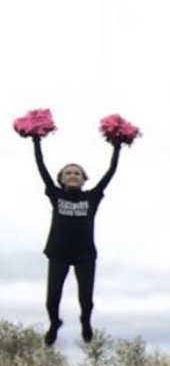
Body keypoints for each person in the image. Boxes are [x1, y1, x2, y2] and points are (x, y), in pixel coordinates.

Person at [28, 134, 122, 346]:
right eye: (68, 173)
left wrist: (117, 148)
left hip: (85, 255)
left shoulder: (92, 197)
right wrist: (36, 141)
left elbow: (110, 173)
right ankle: (54, 323)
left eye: (77, 173)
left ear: (83, 179)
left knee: (86, 299)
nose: (72, 175)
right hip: (58, 253)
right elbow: (40, 167)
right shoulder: (55, 194)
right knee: (52, 299)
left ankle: (85, 321)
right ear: (61, 178)